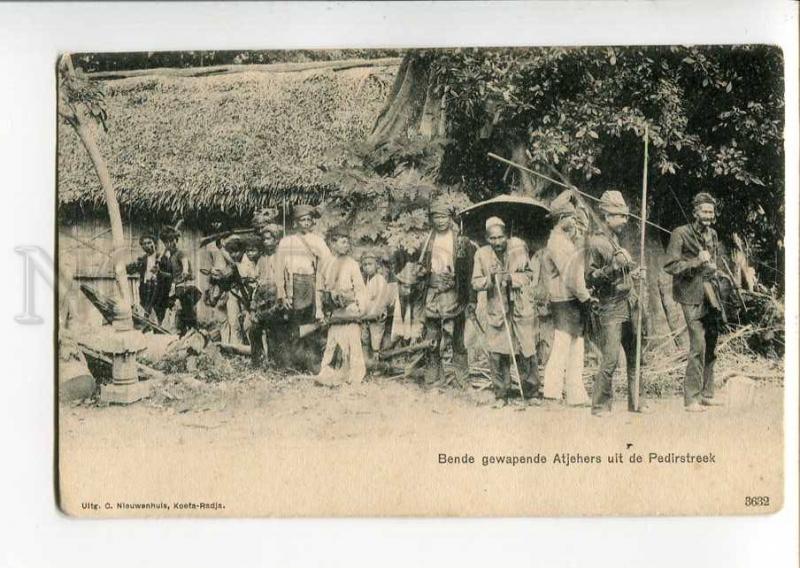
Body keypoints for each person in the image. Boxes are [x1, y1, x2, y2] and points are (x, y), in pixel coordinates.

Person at [586, 191, 652, 416]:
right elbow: (590, 278)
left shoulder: (615, 240)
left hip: (629, 304)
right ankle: (600, 406)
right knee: (611, 359)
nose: (624, 220)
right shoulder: (595, 243)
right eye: (619, 216)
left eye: (625, 215)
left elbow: (625, 272)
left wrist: (635, 271)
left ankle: (636, 402)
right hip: (611, 307)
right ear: (606, 217)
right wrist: (612, 267)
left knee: (635, 357)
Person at [664, 192, 725, 412]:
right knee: (698, 344)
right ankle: (691, 399)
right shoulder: (680, 233)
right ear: (695, 212)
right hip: (690, 295)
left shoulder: (713, 235)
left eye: (711, 211)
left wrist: (712, 267)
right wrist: (696, 261)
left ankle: (707, 394)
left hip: (711, 294)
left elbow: (713, 261)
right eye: (704, 211)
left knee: (711, 341)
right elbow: (670, 266)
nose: (708, 215)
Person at [471, 217, 539, 407]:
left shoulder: (518, 247)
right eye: (492, 238)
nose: (497, 242)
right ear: (487, 239)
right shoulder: (482, 255)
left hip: (519, 307)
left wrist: (511, 278)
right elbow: (475, 282)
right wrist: (490, 279)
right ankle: (501, 394)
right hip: (497, 308)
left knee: (526, 349)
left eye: (500, 237)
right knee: (497, 353)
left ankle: (531, 392)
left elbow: (529, 275)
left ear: (506, 236)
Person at [416, 198, 477, 386]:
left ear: (451, 217)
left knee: (458, 337)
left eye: (444, 216)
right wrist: (422, 272)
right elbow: (421, 268)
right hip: (433, 292)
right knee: (432, 336)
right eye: (436, 217)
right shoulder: (427, 242)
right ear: (431, 219)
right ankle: (433, 377)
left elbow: (469, 271)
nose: (440, 221)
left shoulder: (461, 241)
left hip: (454, 294)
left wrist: (470, 298)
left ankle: (461, 379)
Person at [541, 191, 592, 406]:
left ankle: (575, 394)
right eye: (571, 217)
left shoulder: (564, 240)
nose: (574, 221)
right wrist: (585, 297)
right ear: (562, 219)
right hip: (565, 300)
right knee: (563, 345)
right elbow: (572, 275)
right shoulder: (557, 243)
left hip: (570, 299)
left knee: (576, 346)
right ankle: (552, 393)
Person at [316, 225, 368, 386]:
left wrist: (361, 308)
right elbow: (318, 288)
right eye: (343, 242)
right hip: (334, 311)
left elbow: (360, 288)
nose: (346, 245)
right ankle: (327, 373)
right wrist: (319, 310)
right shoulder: (325, 263)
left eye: (347, 242)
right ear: (333, 243)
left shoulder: (352, 264)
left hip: (350, 309)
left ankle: (356, 375)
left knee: (353, 342)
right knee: (332, 343)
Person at [275, 204, 332, 324]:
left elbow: (328, 262)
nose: (306, 223)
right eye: (303, 220)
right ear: (296, 222)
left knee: (311, 321)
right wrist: (282, 294)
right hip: (293, 284)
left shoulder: (318, 240)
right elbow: (279, 269)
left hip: (310, 283)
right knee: (294, 322)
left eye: (309, 220)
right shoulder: (286, 242)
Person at [248, 224, 285, 368]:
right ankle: (258, 361)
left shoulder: (282, 257)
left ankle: (276, 363)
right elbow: (258, 282)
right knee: (254, 329)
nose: (266, 242)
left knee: (274, 330)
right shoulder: (262, 259)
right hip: (263, 299)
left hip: (277, 298)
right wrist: (254, 304)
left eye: (269, 239)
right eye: (264, 240)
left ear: (276, 240)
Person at [158, 225, 201, 336]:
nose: (170, 244)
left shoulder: (180, 253)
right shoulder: (170, 257)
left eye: (172, 241)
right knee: (179, 316)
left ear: (176, 240)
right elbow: (172, 275)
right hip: (177, 288)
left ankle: (195, 336)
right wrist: (159, 272)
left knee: (188, 315)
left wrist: (185, 271)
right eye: (167, 242)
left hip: (185, 288)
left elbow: (185, 265)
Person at [125, 233, 169, 323]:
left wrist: (159, 272)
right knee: (145, 309)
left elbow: (169, 275)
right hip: (145, 287)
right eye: (144, 244)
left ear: (154, 244)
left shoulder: (162, 258)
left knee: (157, 310)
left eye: (149, 242)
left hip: (158, 288)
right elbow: (131, 269)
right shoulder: (142, 259)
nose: (147, 245)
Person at [360, 249, 391, 360]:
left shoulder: (380, 280)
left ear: (376, 265)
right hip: (366, 316)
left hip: (376, 316)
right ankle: (366, 363)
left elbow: (382, 300)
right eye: (365, 265)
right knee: (364, 338)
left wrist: (374, 313)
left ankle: (376, 364)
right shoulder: (366, 280)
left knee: (376, 339)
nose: (367, 267)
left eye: (370, 264)